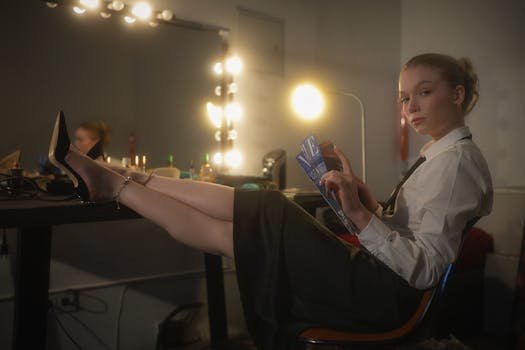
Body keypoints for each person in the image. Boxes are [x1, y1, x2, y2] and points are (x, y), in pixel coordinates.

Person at [47, 53, 492, 350]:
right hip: (378, 280)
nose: (409, 106)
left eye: (424, 92)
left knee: (269, 207)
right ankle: (123, 180)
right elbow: (413, 237)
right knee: (240, 227)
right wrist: (370, 206)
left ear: (456, 95)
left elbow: (425, 270)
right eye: (403, 97)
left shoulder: (458, 164)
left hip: (384, 298)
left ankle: (118, 182)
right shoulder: (441, 156)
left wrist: (358, 216)